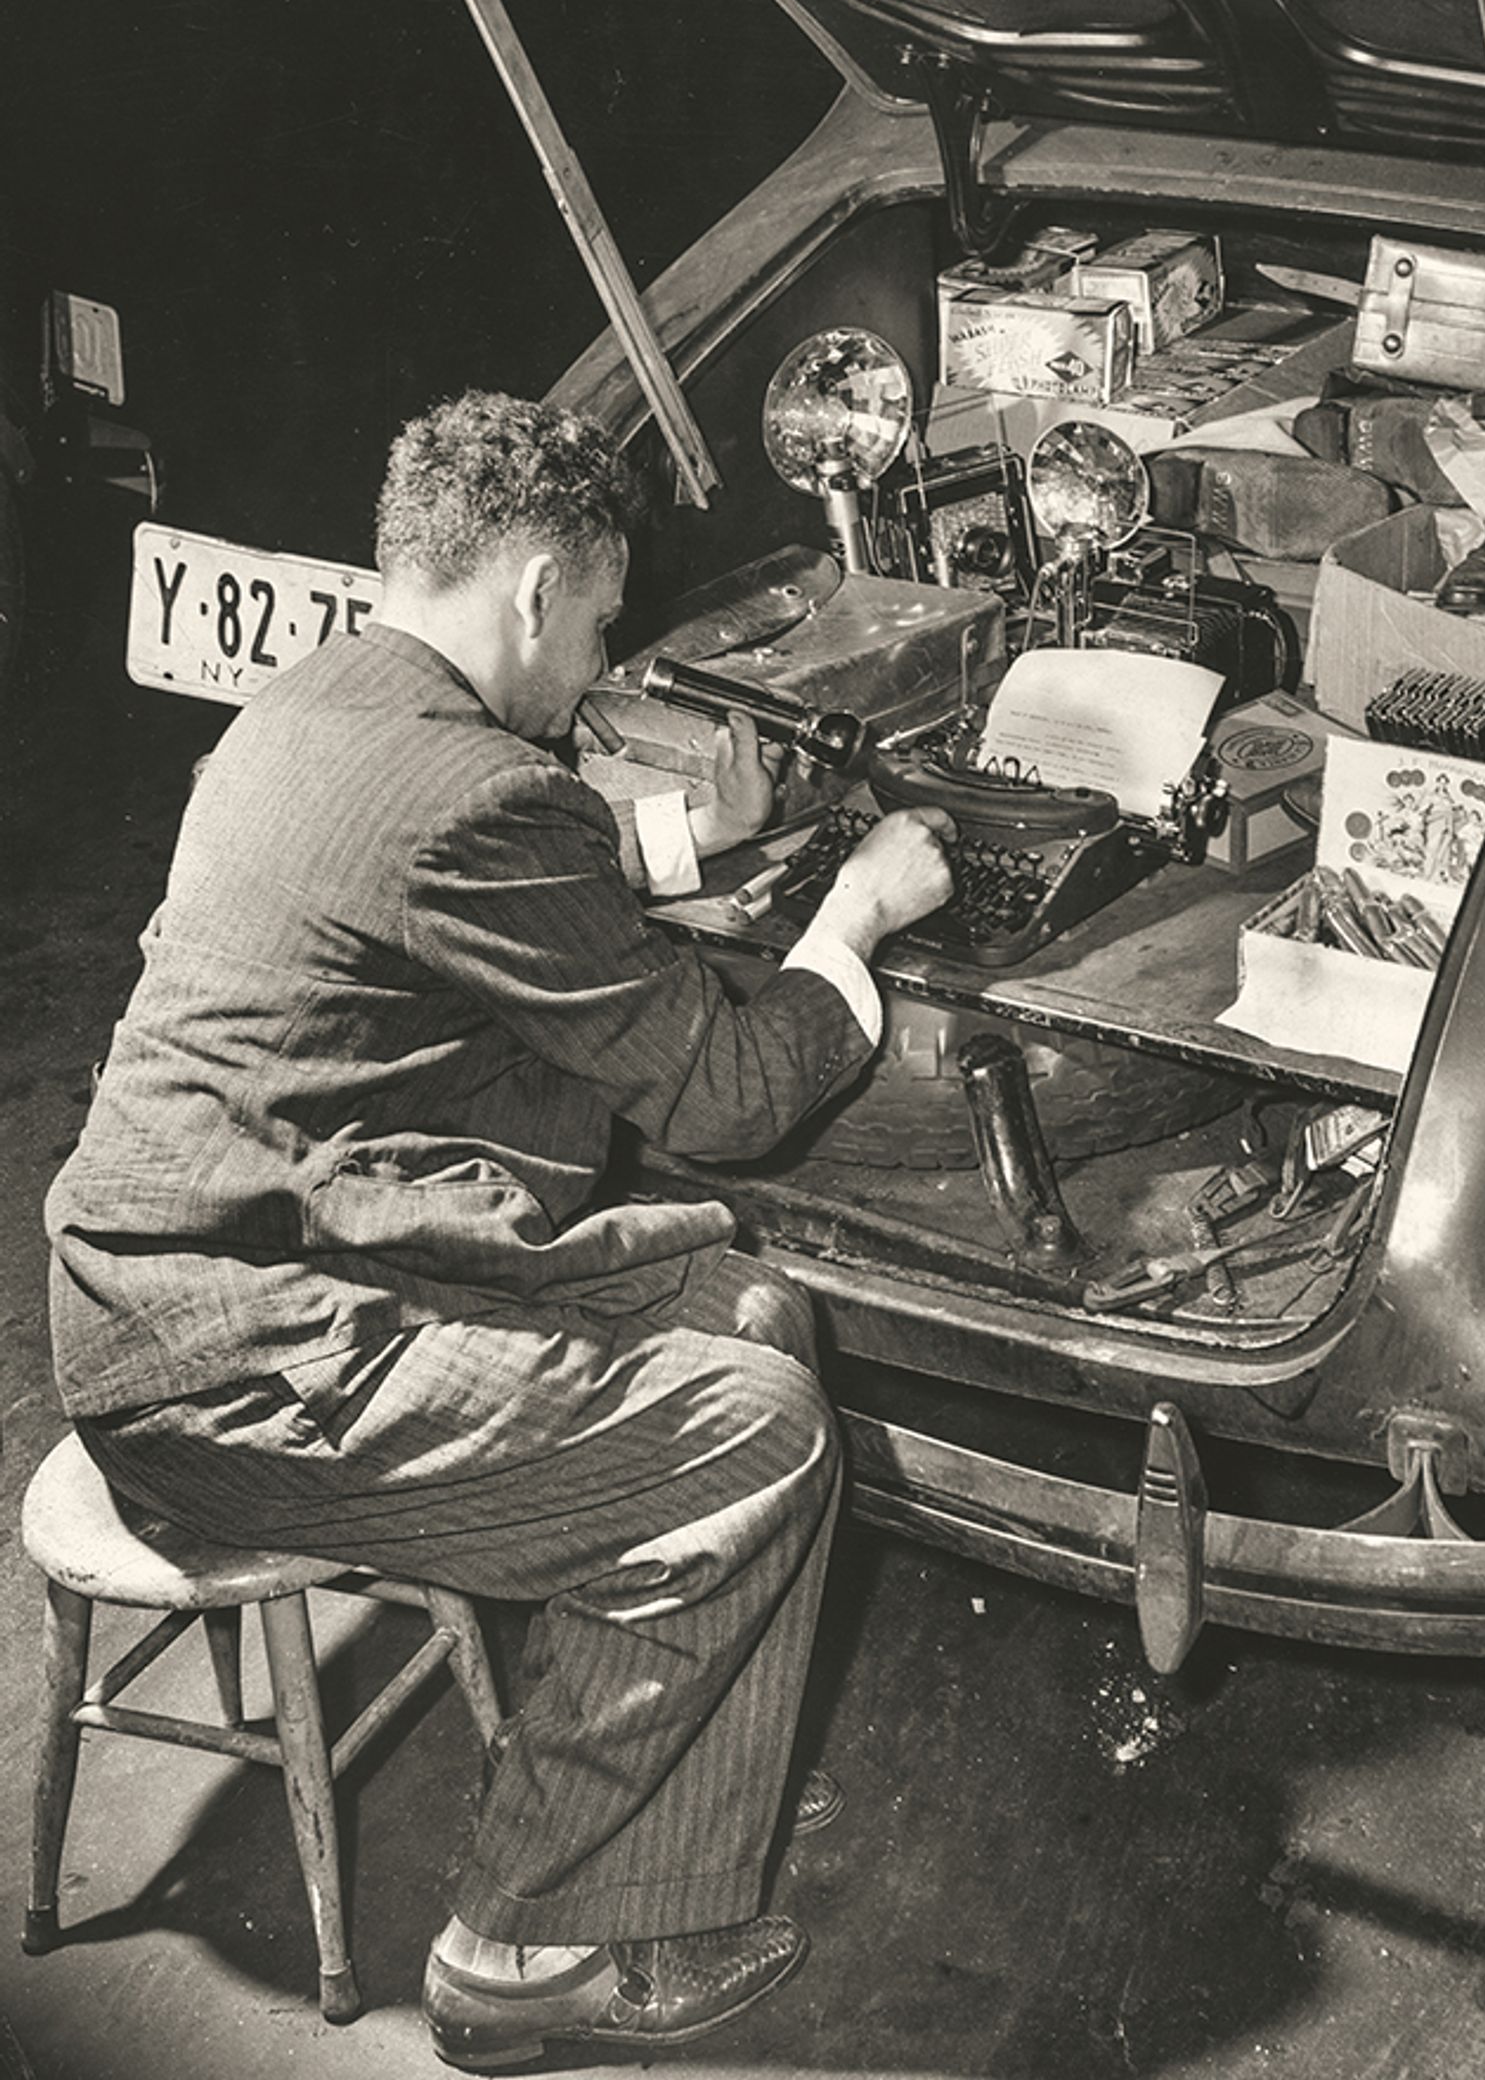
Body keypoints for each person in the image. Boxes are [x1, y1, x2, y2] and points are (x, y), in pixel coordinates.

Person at [43, 389, 954, 2070]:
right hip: (238, 1368)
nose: (598, 672)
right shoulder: (483, 789)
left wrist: (700, 832)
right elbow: (728, 1094)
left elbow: (473, 867)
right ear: (537, 589)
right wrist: (856, 916)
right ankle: (519, 1952)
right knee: (754, 1432)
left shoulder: (316, 696)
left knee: (748, 1305)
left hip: (197, 1281)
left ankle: (675, 1786)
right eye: (599, 627)